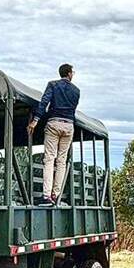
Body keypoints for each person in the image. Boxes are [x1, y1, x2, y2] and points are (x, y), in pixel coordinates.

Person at [27, 64, 80, 206]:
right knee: (61, 161)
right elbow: (73, 109)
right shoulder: (76, 91)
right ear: (69, 74)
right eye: (72, 72)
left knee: (49, 159)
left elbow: (44, 103)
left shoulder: (52, 85)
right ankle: (56, 194)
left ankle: (46, 195)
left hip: (54, 123)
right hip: (69, 125)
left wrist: (35, 121)